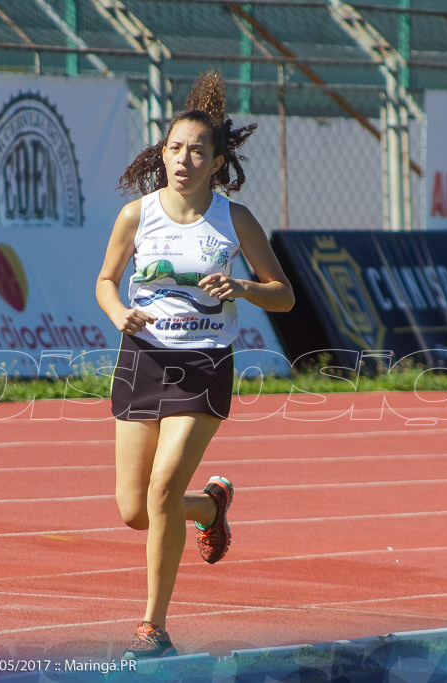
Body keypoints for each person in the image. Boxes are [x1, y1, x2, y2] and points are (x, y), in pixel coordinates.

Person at [95, 71, 295, 659]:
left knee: (161, 490)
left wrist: (242, 287)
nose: (184, 160)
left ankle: (153, 628)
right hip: (141, 361)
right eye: (176, 148)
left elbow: (282, 293)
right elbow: (107, 281)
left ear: (216, 163)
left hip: (204, 365)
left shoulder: (235, 221)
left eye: (197, 151)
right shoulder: (137, 215)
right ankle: (211, 506)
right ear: (163, 153)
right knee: (135, 510)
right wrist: (117, 314)